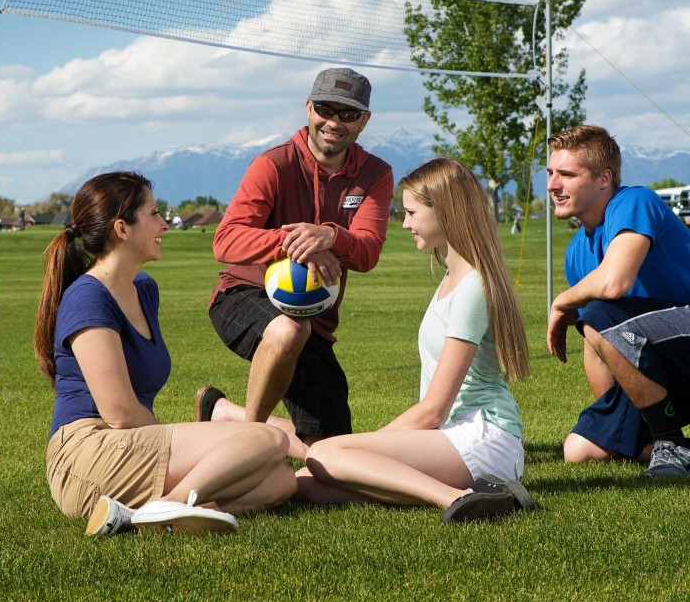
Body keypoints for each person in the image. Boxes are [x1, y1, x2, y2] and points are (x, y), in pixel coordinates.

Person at [34, 171, 296, 537]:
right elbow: (120, 413)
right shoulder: (87, 297)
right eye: (154, 213)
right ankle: (169, 505)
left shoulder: (144, 289)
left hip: (128, 446)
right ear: (122, 229)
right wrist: (183, 441)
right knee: (269, 440)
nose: (165, 225)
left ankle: (140, 516)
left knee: (281, 481)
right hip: (87, 455)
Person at [295, 158, 534, 524]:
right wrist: (365, 453)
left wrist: (370, 445)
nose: (405, 224)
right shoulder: (452, 278)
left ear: (446, 212)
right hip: (452, 435)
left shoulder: (472, 288)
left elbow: (434, 409)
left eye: (411, 213)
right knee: (308, 484)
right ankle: (478, 494)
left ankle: (458, 497)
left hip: (483, 438)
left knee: (323, 454)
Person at [199, 68, 394, 458]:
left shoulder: (376, 174)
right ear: (308, 108)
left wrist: (331, 236)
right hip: (242, 295)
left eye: (348, 114)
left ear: (364, 121)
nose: (334, 122)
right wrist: (297, 243)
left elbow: (368, 252)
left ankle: (224, 414)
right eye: (325, 109)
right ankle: (248, 446)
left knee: (331, 452)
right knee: (288, 330)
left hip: (314, 317)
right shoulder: (273, 164)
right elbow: (226, 240)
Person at [546, 125, 690, 476]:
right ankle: (660, 439)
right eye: (550, 173)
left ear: (604, 178)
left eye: (567, 174)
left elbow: (614, 282)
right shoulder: (576, 253)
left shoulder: (635, 201)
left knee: (598, 312)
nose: (552, 185)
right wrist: (618, 421)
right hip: (658, 367)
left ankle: (671, 443)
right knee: (580, 450)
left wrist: (562, 302)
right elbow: (596, 342)